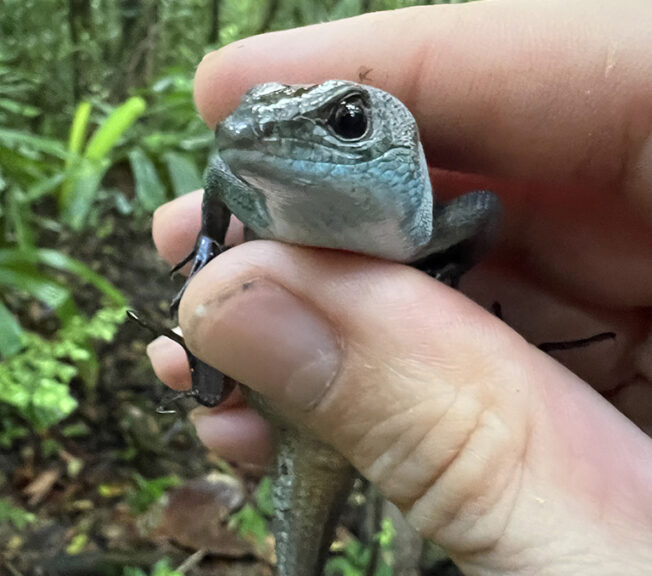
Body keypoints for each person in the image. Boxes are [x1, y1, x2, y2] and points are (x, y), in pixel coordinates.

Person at [146, 1, 652, 573]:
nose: (249, 128)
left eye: (346, 123)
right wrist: (209, 248)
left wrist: (449, 270)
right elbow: (221, 172)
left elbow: (482, 209)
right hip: (281, 402)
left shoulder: (428, 229)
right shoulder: (260, 185)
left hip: (302, 384)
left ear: (396, 144)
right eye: (250, 113)